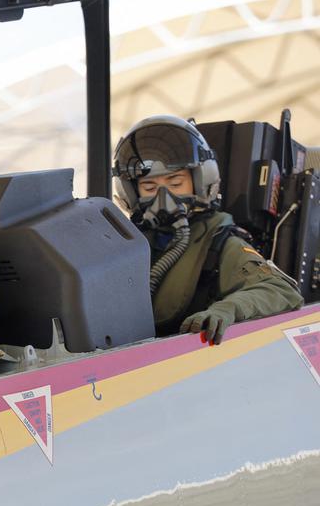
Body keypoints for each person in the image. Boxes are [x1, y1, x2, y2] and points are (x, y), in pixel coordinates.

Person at [113, 115, 303, 345]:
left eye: (175, 183)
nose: (164, 197)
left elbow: (281, 290)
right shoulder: (123, 244)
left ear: (199, 181)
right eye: (149, 187)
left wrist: (228, 309)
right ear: (132, 192)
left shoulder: (219, 241)